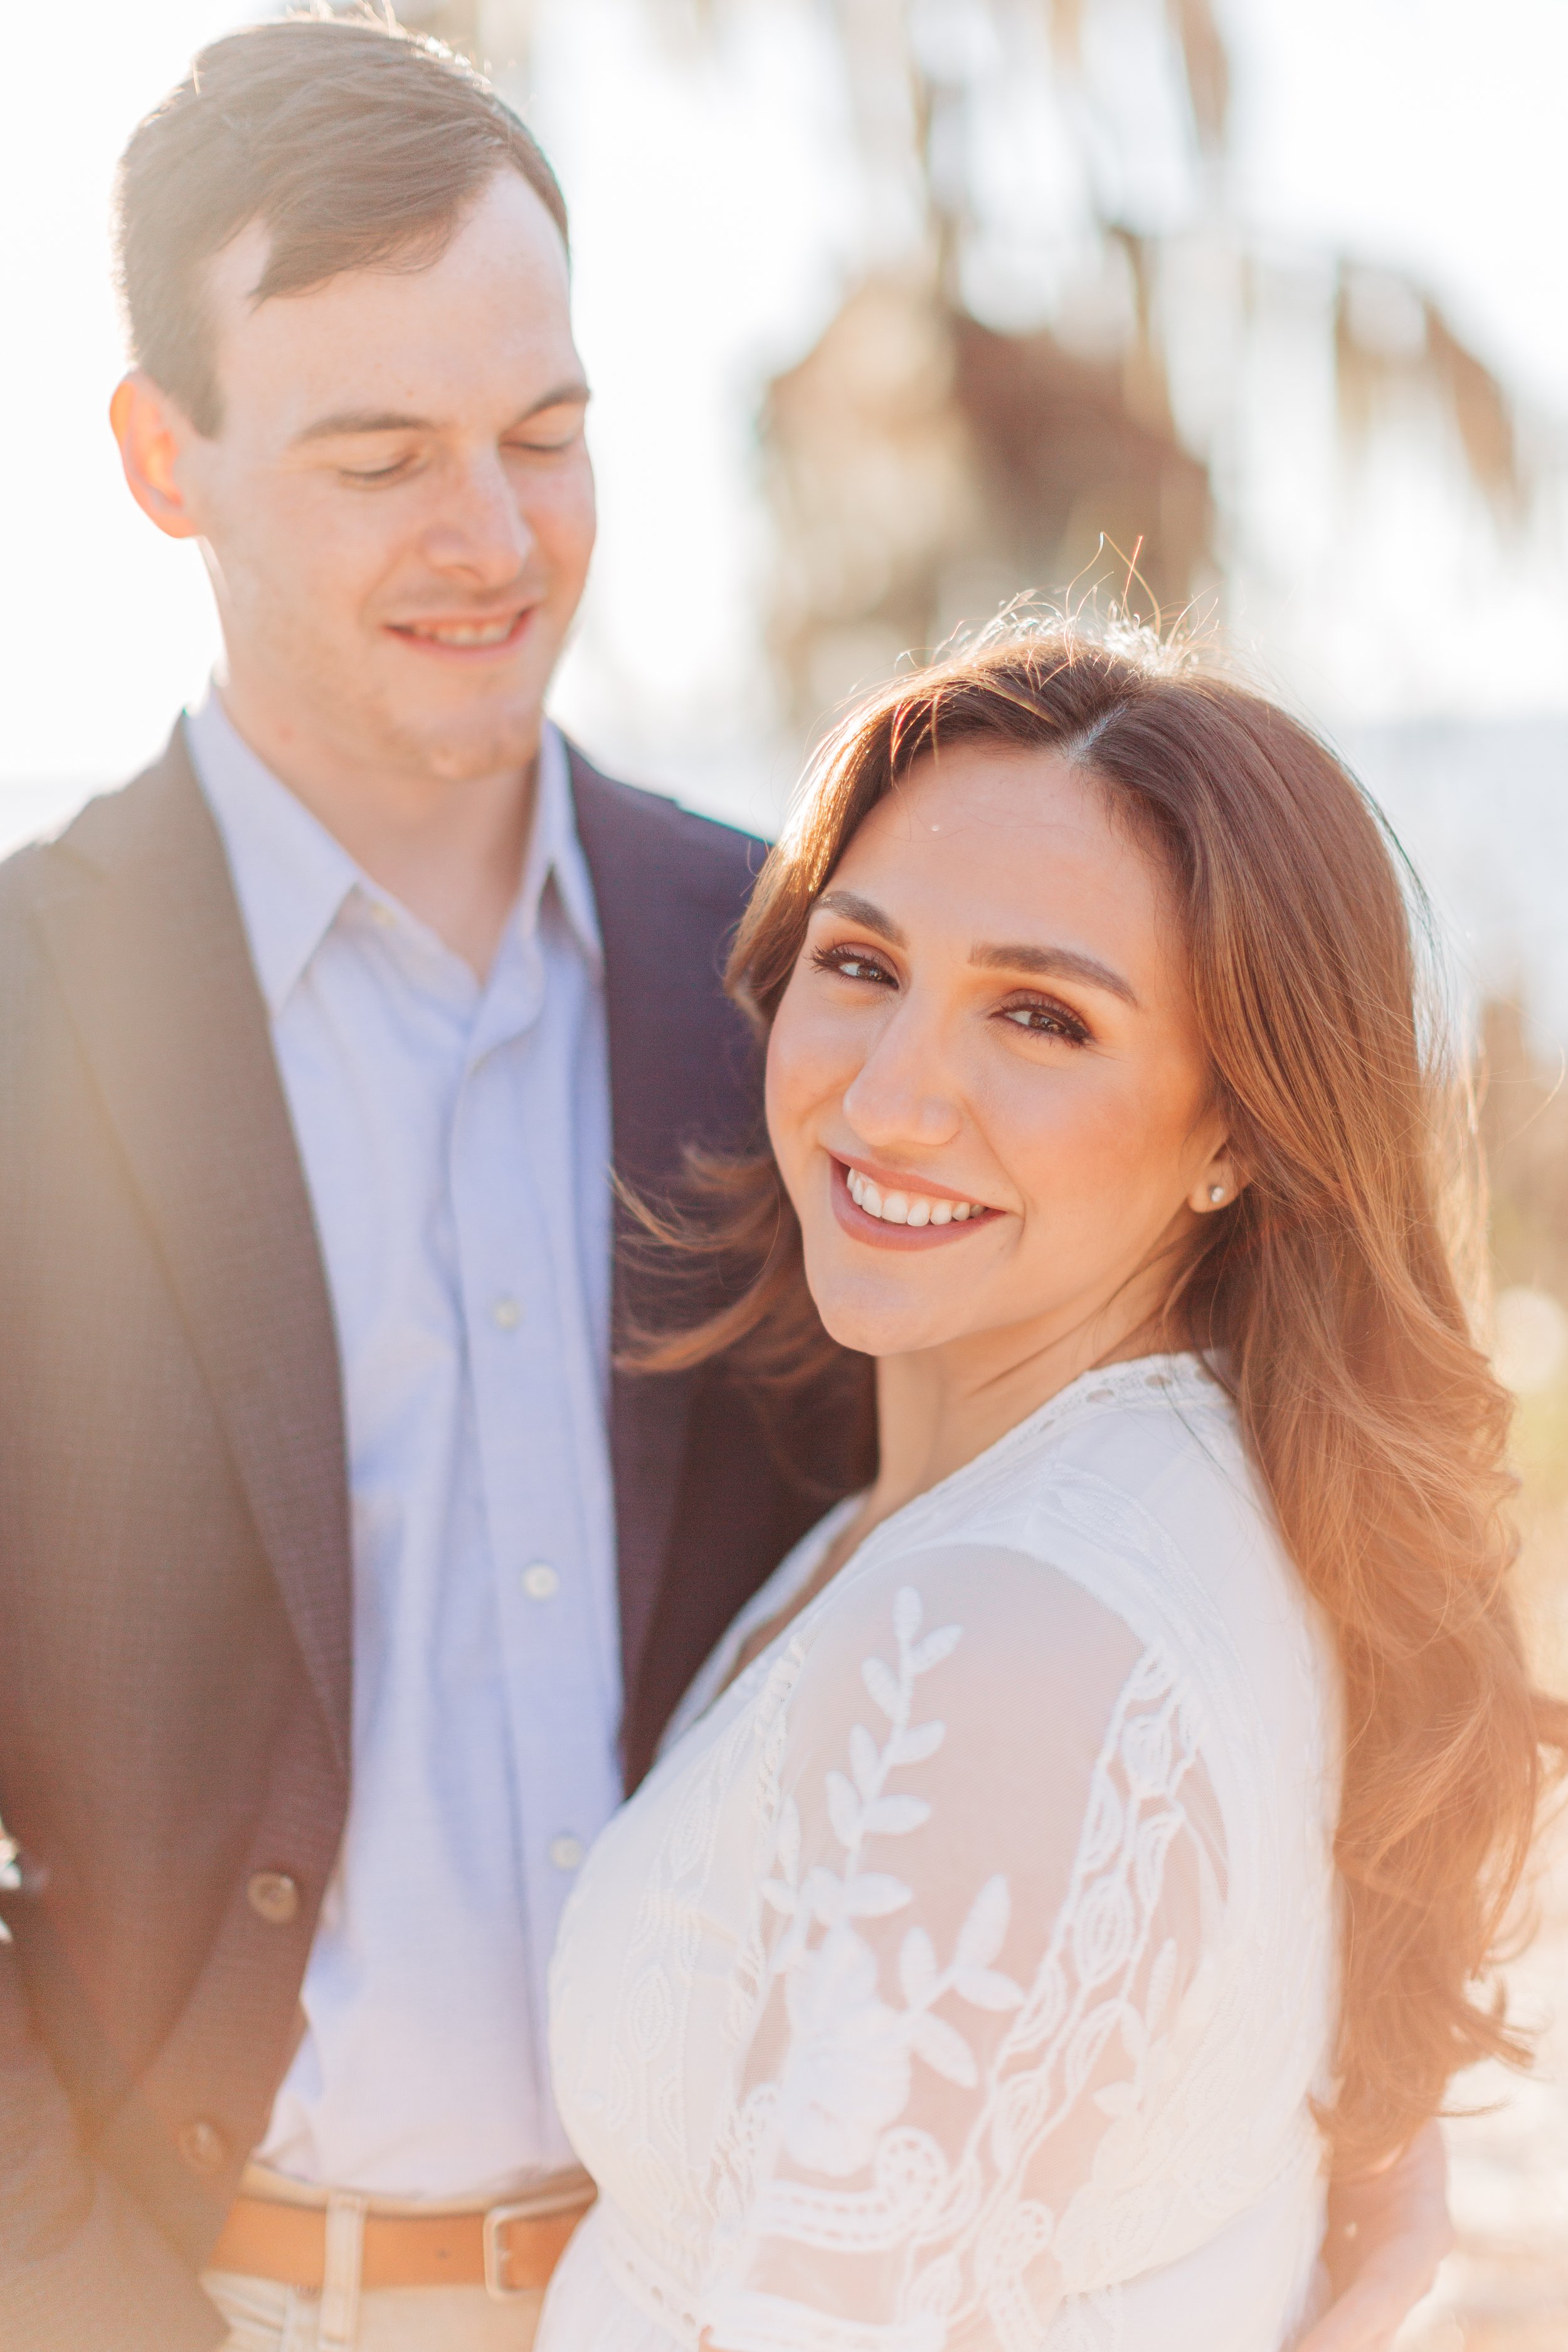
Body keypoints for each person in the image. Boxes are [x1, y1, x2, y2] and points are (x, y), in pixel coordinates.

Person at [0, 12, 1448, 2352]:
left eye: (546, 435)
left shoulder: (800, 993)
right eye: (381, 458)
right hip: (190, 2300)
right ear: (163, 462)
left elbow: (1190, 1527)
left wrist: (1342, 2123)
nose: (496, 538)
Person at [536, 626, 1559, 2352]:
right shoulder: (1161, 1499)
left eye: (1036, 1014)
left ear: (1239, 1129)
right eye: (858, 965)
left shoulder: (1009, 1636)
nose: (889, 1095)